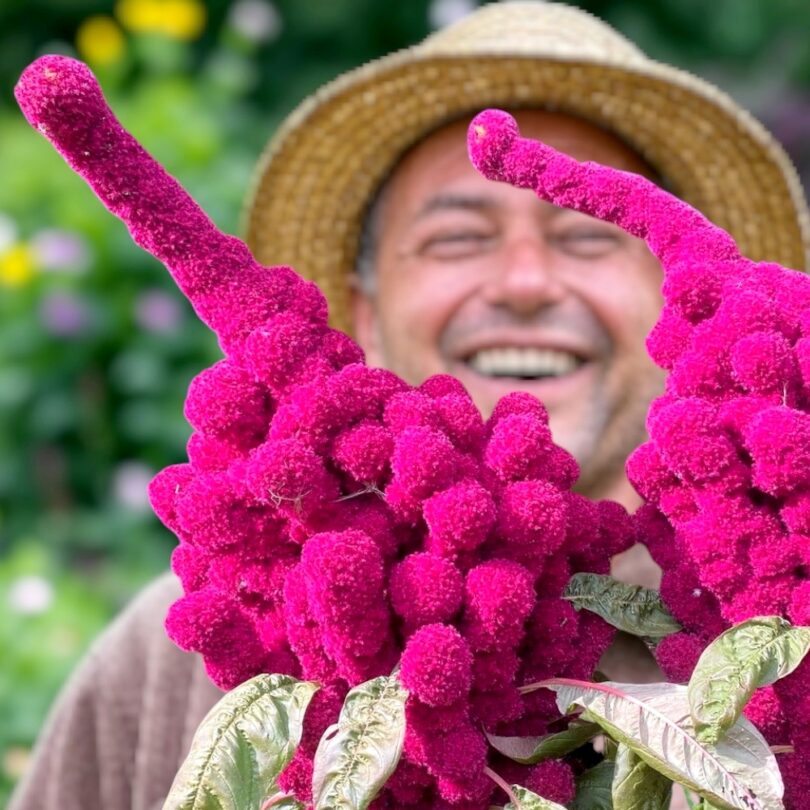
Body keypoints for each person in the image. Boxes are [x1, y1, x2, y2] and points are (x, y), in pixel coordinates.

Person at [9, 3, 810, 810]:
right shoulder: (161, 670)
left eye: (587, 236)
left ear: (671, 305)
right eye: (457, 237)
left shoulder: (753, 626)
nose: (525, 281)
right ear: (360, 306)